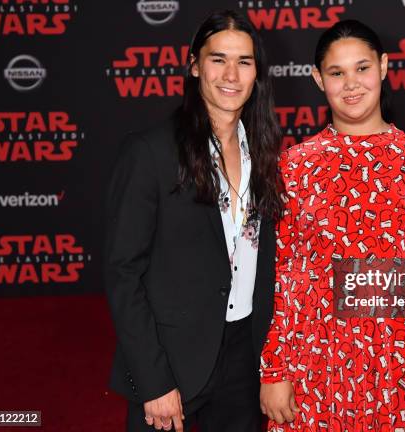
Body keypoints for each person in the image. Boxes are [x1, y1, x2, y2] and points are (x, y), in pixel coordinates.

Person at [259, 20, 405, 431]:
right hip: (314, 365)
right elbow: (283, 276)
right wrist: (275, 368)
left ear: (385, 67)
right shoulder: (295, 167)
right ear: (318, 79)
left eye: (362, 68)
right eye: (337, 73)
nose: (351, 84)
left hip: (401, 365)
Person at [104, 9, 282, 432]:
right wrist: (153, 381)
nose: (231, 75)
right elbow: (122, 273)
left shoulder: (268, 154)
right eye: (218, 59)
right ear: (194, 65)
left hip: (245, 357)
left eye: (244, 61)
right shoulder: (150, 153)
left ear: (258, 73)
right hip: (170, 360)